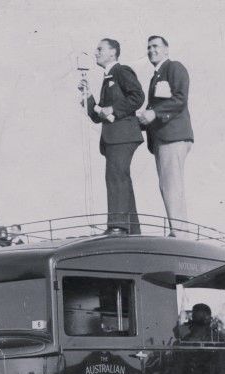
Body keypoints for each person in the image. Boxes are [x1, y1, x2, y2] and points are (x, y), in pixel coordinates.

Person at [78, 38, 145, 234]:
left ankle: (118, 226)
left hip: (123, 135)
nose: (95, 53)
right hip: (115, 137)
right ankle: (131, 230)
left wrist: (113, 108)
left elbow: (138, 97)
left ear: (113, 52)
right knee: (121, 178)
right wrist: (88, 97)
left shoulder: (121, 71)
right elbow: (98, 116)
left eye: (100, 49)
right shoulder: (107, 78)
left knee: (116, 177)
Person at [137, 35, 194, 237]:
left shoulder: (174, 68)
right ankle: (177, 230)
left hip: (173, 136)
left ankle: (180, 233)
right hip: (163, 138)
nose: (151, 50)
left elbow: (180, 99)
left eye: (156, 46)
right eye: (149, 47)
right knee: (167, 185)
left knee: (171, 185)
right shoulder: (157, 75)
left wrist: (154, 113)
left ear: (166, 49)